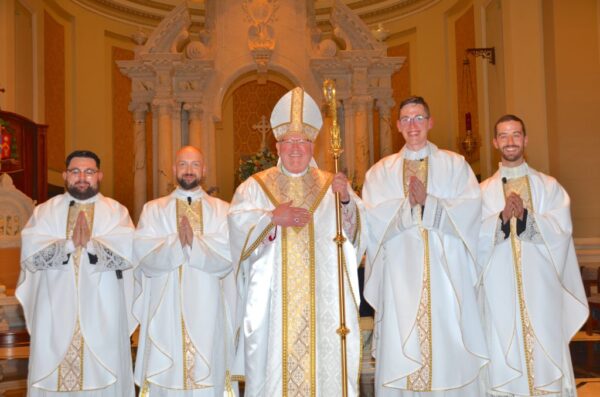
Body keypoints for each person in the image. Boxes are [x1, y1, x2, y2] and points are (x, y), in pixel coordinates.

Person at [228, 87, 367, 397]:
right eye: (288, 141)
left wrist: (345, 200)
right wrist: (271, 218)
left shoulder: (331, 184)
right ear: (276, 146)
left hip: (324, 307)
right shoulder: (255, 187)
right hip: (271, 305)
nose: (295, 148)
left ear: (312, 144)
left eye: (302, 141)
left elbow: (357, 235)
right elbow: (236, 227)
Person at [362, 96, 488, 396]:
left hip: (446, 279)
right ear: (398, 126)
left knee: (448, 345)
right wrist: (407, 207)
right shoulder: (380, 172)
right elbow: (372, 218)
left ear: (430, 122)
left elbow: (471, 210)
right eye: (405, 119)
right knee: (402, 340)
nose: (412, 125)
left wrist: (430, 204)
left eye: (418, 118)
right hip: (399, 279)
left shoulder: (455, 165)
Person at [478, 114, 588, 396]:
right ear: (494, 142)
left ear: (526, 140)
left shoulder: (549, 187)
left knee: (544, 359)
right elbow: (472, 239)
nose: (510, 141)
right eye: (503, 135)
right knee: (504, 356)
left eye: (516, 135)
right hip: (499, 295)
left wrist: (526, 218)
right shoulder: (481, 193)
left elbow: (562, 231)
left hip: (541, 295)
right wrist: (500, 219)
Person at [17, 150, 136, 396]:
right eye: (75, 171)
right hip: (54, 311)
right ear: (65, 176)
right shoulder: (45, 211)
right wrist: (68, 245)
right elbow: (31, 253)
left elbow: (128, 253)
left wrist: (92, 244)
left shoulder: (116, 212)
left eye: (89, 172)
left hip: (103, 313)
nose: (82, 177)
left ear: (99, 175)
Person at [133, 146, 235, 396]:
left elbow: (229, 254)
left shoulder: (223, 210)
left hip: (209, 308)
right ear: (173, 169)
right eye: (183, 164)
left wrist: (195, 244)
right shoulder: (153, 209)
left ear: (204, 170)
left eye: (195, 165)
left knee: (208, 369)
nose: (189, 170)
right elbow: (144, 254)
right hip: (166, 310)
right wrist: (177, 243)